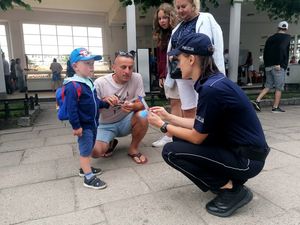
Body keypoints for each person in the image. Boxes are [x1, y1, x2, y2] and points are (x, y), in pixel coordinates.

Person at [148, 33, 270, 217]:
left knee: (171, 151)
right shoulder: (214, 82)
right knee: (179, 135)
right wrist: (168, 117)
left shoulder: (212, 89)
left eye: (178, 59)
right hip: (243, 152)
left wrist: (162, 126)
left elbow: (197, 137)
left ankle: (231, 189)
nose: (177, 64)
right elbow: (200, 125)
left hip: (246, 161)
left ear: (191, 59)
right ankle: (230, 178)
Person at [164, 0, 225, 119]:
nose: (180, 10)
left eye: (183, 6)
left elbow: (215, 44)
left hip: (199, 71)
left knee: (202, 105)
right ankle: (189, 134)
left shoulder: (206, 19)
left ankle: (204, 134)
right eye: (178, 7)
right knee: (187, 106)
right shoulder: (178, 27)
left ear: (193, 5)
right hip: (181, 72)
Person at [64, 47, 110, 189]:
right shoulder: (73, 85)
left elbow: (94, 102)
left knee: (89, 146)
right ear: (75, 66)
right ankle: (88, 178)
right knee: (85, 151)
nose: (91, 67)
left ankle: (84, 169)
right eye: (87, 64)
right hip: (84, 125)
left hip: (93, 123)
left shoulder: (88, 82)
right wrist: (76, 126)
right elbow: (72, 109)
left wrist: (106, 103)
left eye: (92, 63)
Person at [93, 51, 148, 164]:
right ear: (114, 67)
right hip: (105, 125)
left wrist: (133, 106)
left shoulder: (137, 78)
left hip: (125, 121)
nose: (127, 71)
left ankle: (133, 148)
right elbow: (91, 108)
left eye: (130, 67)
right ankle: (110, 141)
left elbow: (141, 103)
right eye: (123, 67)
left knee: (144, 114)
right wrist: (104, 101)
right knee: (95, 153)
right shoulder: (100, 83)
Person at [152, 3, 181, 147]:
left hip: (178, 74)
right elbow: (161, 59)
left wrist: (163, 74)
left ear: (172, 16)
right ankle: (175, 134)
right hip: (171, 74)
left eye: (165, 17)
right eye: (160, 18)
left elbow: (169, 57)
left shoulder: (177, 32)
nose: (162, 21)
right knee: (177, 104)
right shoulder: (163, 35)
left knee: (177, 104)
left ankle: (170, 135)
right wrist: (161, 75)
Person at [252, 21, 291, 113]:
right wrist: (278, 63)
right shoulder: (287, 37)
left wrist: (266, 64)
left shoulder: (270, 38)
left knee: (268, 85)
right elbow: (281, 49)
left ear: (278, 28)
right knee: (279, 87)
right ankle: (275, 107)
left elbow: (265, 52)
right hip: (278, 67)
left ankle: (257, 101)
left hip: (268, 66)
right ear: (286, 28)